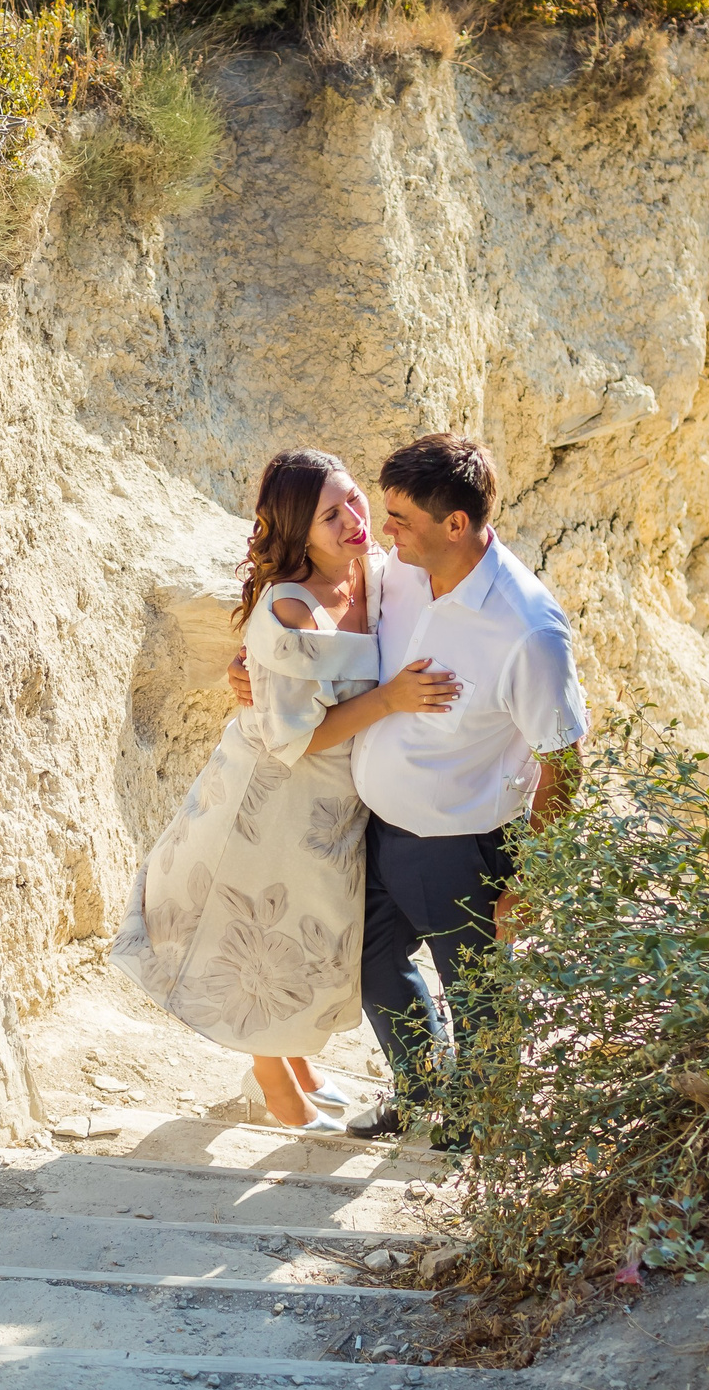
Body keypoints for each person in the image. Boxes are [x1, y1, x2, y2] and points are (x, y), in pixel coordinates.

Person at [230, 434, 588, 1143]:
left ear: (456, 524)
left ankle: (481, 1128)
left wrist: (536, 876)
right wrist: (250, 670)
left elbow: (567, 759)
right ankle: (422, 1095)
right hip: (379, 825)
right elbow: (318, 630)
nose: (383, 530)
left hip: (461, 840)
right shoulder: (402, 572)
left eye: (400, 518)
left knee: (476, 988)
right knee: (369, 963)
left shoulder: (527, 629)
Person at [109, 449, 461, 1129]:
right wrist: (390, 700)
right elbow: (292, 736)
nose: (355, 520)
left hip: (334, 804)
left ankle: (294, 1067)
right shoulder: (291, 608)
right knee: (255, 938)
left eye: (354, 500)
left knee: (304, 937)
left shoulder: (376, 577)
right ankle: (274, 1086)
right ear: (299, 532)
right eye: (332, 515)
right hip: (272, 798)